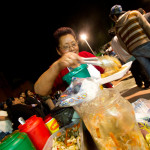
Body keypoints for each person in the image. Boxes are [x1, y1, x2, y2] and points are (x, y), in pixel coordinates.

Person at [34, 27, 112, 97]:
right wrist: (57, 66)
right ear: (58, 51)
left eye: (73, 44)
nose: (72, 49)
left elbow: (106, 71)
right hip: (86, 110)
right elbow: (39, 91)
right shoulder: (59, 68)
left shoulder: (85, 55)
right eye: (66, 47)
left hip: (107, 98)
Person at [109, 5, 150, 82]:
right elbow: (147, 27)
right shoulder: (134, 13)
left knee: (148, 68)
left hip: (134, 50)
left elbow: (123, 44)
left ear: (114, 16)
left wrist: (131, 51)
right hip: (144, 42)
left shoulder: (117, 28)